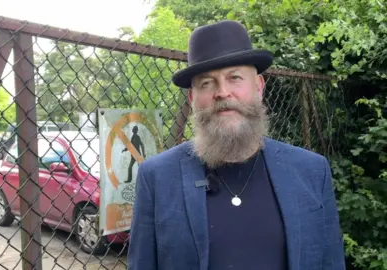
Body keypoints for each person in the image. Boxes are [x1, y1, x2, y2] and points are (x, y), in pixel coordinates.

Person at [127, 20, 346, 270]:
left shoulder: (312, 171)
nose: (222, 92)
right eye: (207, 83)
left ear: (259, 87)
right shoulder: (156, 177)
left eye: (235, 78)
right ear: (192, 98)